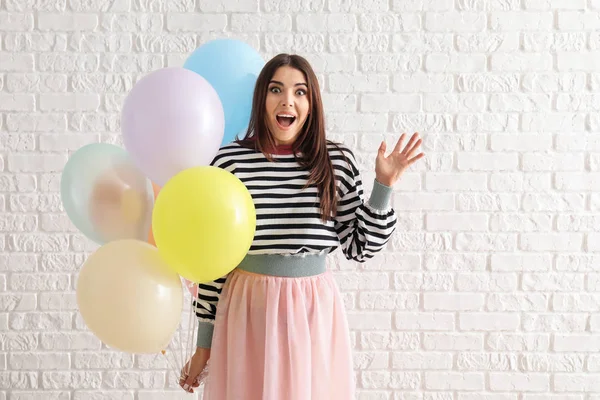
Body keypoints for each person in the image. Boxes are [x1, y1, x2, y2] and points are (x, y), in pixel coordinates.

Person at [179, 53, 424, 399]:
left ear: (311, 104)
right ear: (261, 99)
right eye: (276, 89)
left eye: (300, 92)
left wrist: (383, 186)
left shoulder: (335, 160)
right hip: (245, 308)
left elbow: (360, 246)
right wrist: (204, 344)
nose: (287, 100)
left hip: (311, 313)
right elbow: (213, 263)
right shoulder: (229, 161)